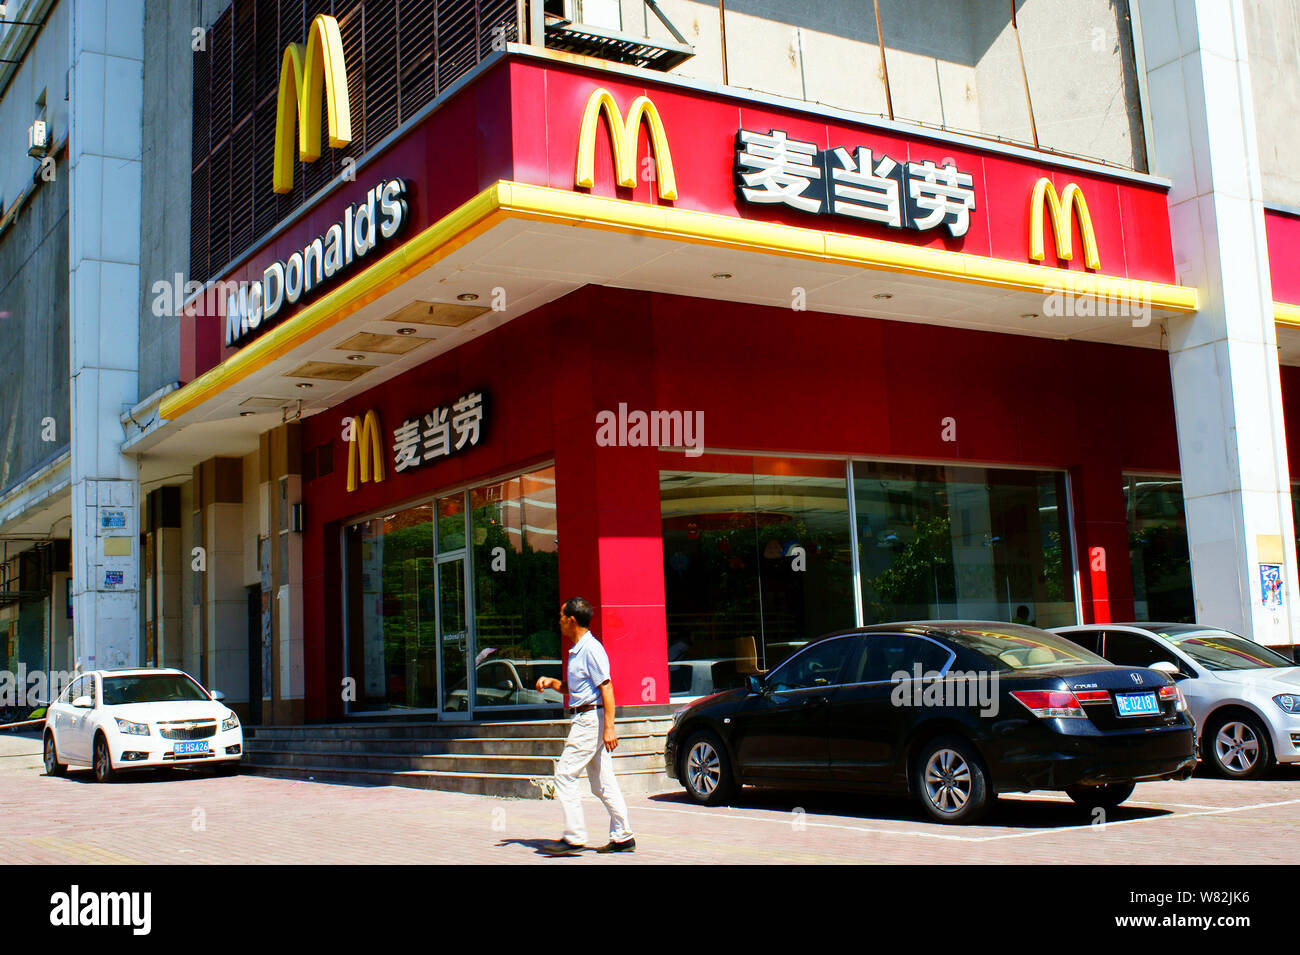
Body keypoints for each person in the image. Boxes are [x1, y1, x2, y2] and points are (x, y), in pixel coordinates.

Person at [534, 597, 635, 856]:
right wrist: (552, 682)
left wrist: (609, 728)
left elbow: (607, 687)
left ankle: (574, 836)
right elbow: (574, 689)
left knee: (565, 774)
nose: (558, 622)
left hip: (590, 720)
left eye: (560, 617)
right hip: (586, 717)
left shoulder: (591, 649)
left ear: (572, 620)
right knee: (602, 784)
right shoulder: (577, 650)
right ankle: (623, 836)